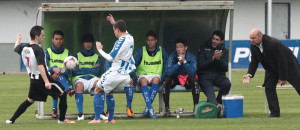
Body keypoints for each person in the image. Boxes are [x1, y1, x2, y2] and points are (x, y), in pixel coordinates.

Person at [6, 26, 75, 124]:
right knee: (63, 93)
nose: (44, 37)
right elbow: (40, 67)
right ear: (36, 36)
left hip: (33, 80)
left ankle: (11, 120)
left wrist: (18, 40)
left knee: (30, 100)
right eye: (42, 35)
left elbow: (16, 48)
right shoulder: (38, 50)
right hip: (42, 79)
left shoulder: (25, 47)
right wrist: (47, 81)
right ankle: (62, 120)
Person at [243, 28, 300, 117]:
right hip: (271, 68)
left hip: (289, 65)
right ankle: (274, 113)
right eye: (250, 38)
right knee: (269, 86)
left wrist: (283, 77)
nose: (251, 40)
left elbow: (282, 61)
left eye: (253, 38)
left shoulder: (273, 43)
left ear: (260, 36)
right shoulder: (253, 45)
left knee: (299, 86)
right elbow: (254, 61)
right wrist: (249, 75)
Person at [90, 14, 135, 124]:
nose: (114, 33)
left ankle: (96, 119)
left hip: (115, 73)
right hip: (125, 76)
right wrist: (113, 23)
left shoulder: (120, 41)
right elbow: (123, 30)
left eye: (115, 30)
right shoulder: (130, 38)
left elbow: (110, 58)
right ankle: (110, 119)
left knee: (97, 89)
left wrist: (99, 49)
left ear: (118, 30)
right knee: (109, 92)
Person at [134, 30, 168, 119]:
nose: (150, 42)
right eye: (148, 40)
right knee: (143, 81)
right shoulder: (141, 51)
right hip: (142, 75)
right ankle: (151, 109)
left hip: (156, 75)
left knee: (156, 80)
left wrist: (163, 78)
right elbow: (133, 66)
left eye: (152, 40)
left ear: (156, 40)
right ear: (146, 41)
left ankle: (147, 108)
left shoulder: (161, 50)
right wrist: (135, 81)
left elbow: (166, 65)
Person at [72, 33, 107, 120]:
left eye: (90, 42)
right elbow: (75, 71)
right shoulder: (77, 56)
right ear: (83, 43)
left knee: (100, 84)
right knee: (79, 85)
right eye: (86, 42)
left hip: (92, 78)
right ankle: (80, 114)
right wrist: (91, 69)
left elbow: (97, 71)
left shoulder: (96, 57)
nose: (88, 44)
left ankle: (101, 112)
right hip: (80, 79)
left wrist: (82, 68)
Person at [197, 30, 231, 115]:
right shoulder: (204, 47)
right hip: (205, 77)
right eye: (213, 38)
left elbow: (225, 68)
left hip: (218, 76)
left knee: (227, 83)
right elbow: (200, 65)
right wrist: (212, 59)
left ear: (222, 41)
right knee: (212, 103)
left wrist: (219, 59)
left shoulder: (225, 50)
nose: (214, 41)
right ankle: (214, 105)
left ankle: (217, 102)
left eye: (217, 39)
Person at [162, 38, 199, 116]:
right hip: (175, 78)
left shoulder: (192, 57)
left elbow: (193, 73)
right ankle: (167, 109)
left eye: (181, 47)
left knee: (194, 80)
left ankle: (196, 108)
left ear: (186, 47)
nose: (178, 49)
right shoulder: (172, 56)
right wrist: (178, 63)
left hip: (187, 79)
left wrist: (184, 62)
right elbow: (167, 72)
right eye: (177, 47)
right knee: (166, 80)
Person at [44, 30, 74, 118]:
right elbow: (44, 68)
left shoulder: (67, 53)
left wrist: (60, 72)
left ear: (63, 40)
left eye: (60, 39)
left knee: (58, 81)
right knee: (56, 70)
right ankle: (68, 90)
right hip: (50, 77)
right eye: (56, 39)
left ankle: (54, 110)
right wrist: (54, 69)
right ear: (52, 39)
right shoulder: (47, 52)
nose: (58, 41)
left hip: (62, 78)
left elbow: (70, 70)